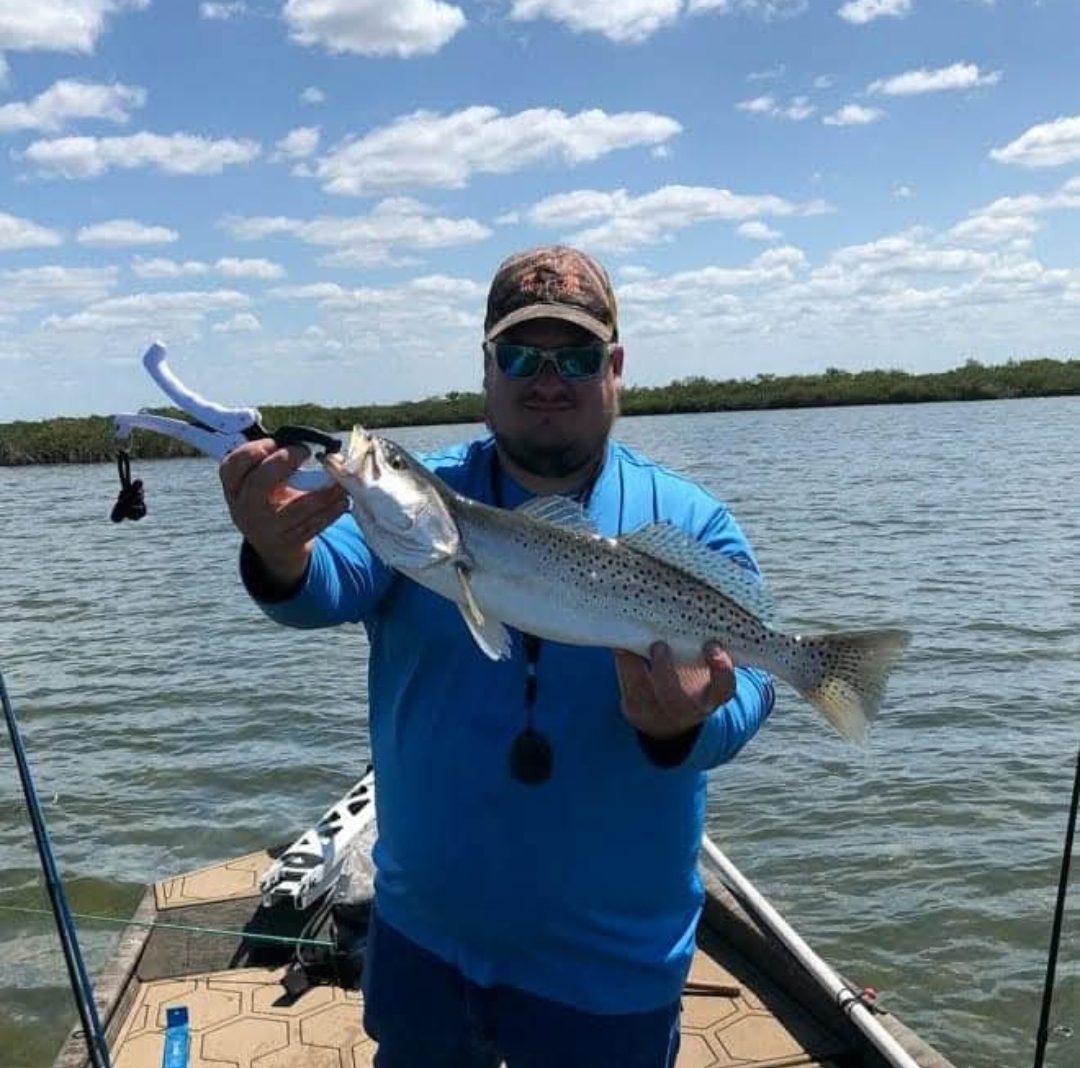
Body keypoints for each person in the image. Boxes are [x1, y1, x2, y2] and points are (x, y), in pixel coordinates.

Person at [219, 245, 776, 1068]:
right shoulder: (417, 505)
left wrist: (682, 726)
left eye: (575, 356)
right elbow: (322, 584)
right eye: (519, 355)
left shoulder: (691, 520)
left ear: (615, 368)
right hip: (424, 940)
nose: (546, 379)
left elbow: (754, 681)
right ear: (485, 369)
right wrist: (277, 551)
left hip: (612, 964)